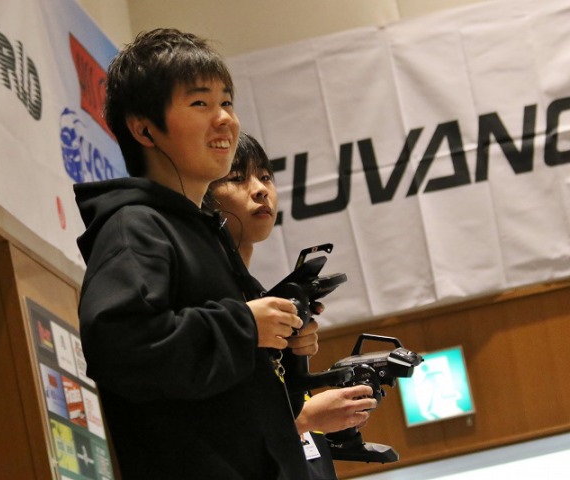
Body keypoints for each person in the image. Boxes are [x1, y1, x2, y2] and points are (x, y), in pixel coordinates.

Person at [74, 28, 332, 480]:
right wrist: (244, 326)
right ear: (144, 128)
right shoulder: (135, 225)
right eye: (200, 103)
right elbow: (120, 347)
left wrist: (282, 344)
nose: (225, 119)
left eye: (227, 102)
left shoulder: (203, 231)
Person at [205, 131, 378, 480]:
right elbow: (211, 432)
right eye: (237, 178)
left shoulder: (255, 297)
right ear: (204, 197)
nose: (260, 189)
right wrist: (305, 419)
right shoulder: (210, 304)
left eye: (265, 176)